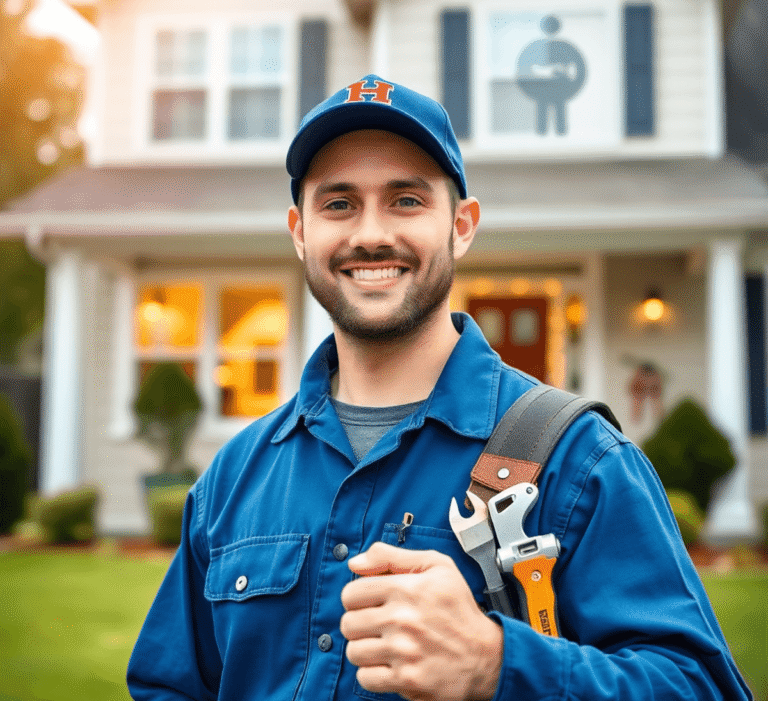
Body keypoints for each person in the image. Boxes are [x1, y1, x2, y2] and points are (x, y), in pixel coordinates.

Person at [127, 74, 751, 701]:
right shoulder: (234, 477)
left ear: (461, 225)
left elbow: (699, 687)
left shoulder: (580, 461)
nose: (371, 234)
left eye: (406, 200)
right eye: (338, 203)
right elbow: (168, 686)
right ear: (299, 231)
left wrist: (497, 665)